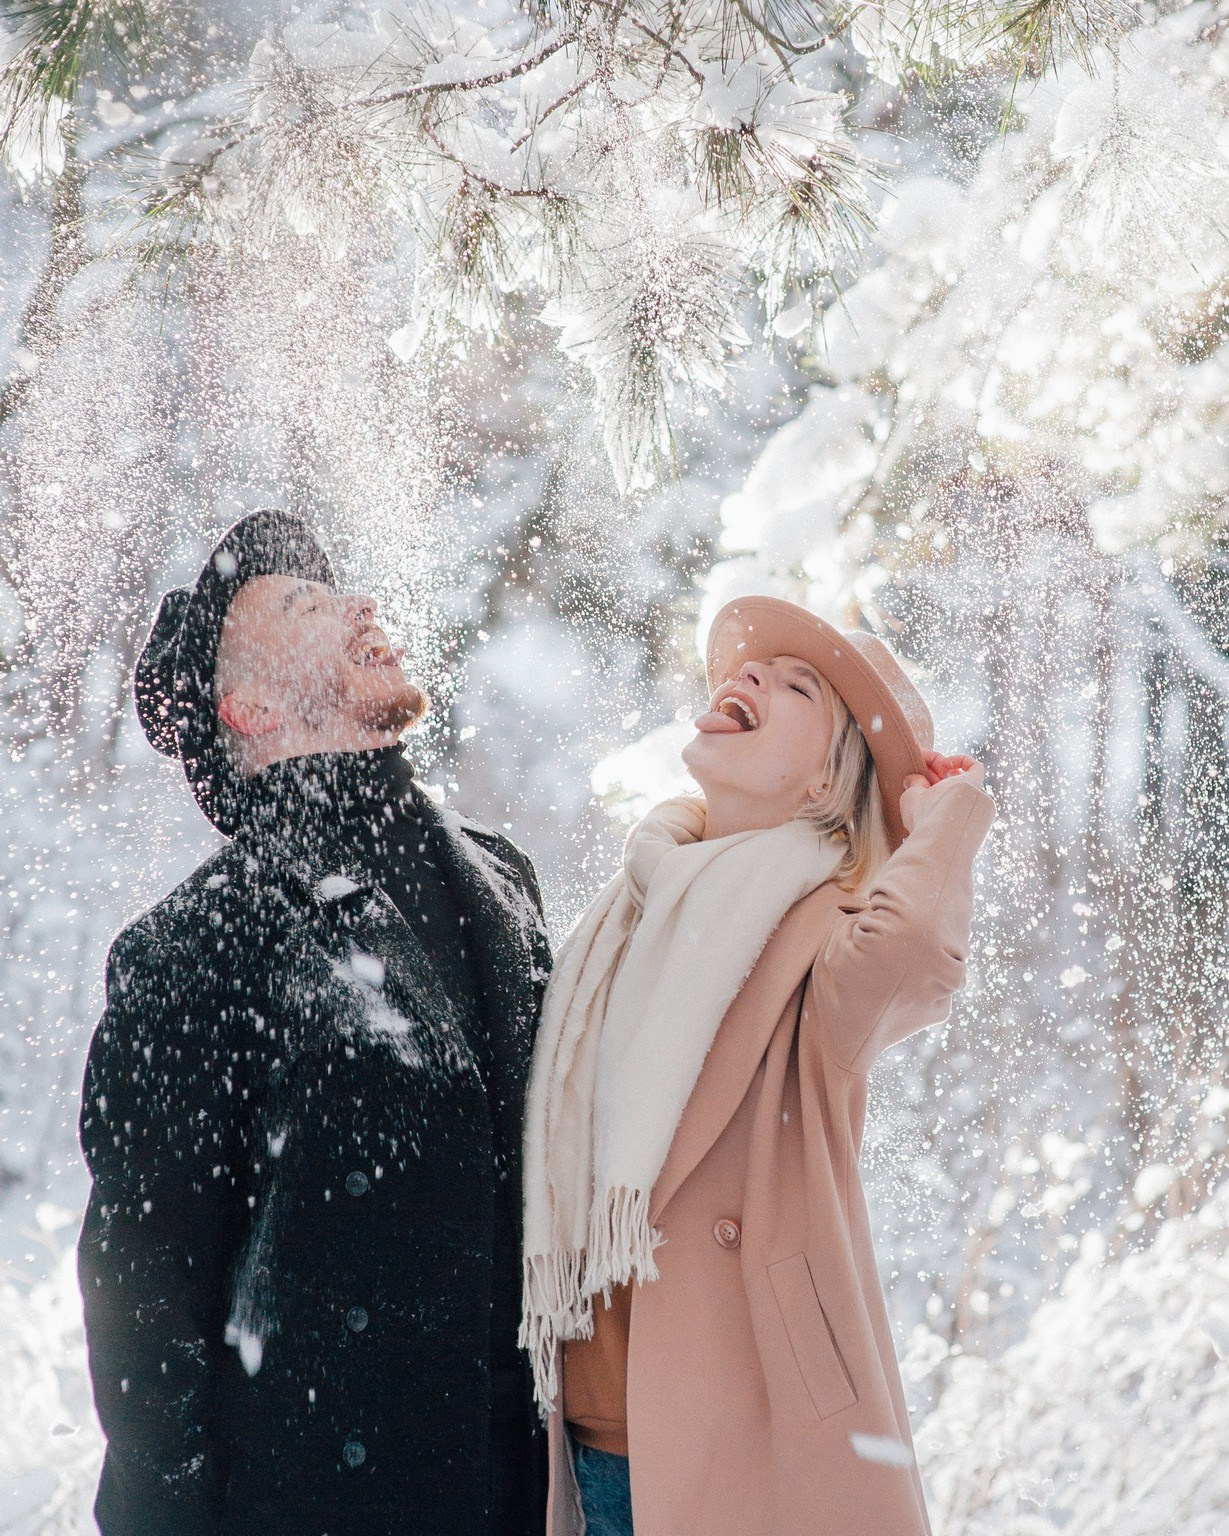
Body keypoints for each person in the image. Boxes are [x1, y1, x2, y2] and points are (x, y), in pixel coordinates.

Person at [78, 509, 550, 1536]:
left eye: (343, 590)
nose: (358, 606)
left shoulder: (504, 882)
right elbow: (146, 1312)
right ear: (245, 707)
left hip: (525, 1495)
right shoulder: (196, 944)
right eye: (302, 603)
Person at [520, 595, 996, 1536]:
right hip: (582, 1435)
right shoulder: (628, 911)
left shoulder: (826, 940)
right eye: (746, 671)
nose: (746, 679)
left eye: (794, 686)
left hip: (739, 1431)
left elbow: (909, 958)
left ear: (827, 780)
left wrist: (947, 819)